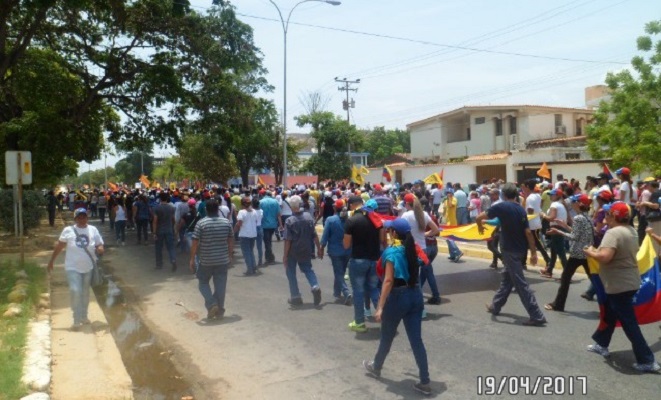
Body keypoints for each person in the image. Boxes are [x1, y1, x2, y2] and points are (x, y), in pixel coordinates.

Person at [583, 202, 660, 372]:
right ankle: (602, 344)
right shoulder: (631, 230)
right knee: (610, 314)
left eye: (609, 214)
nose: (606, 217)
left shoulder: (613, 233)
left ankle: (647, 360)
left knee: (629, 323)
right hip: (627, 282)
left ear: (615, 216)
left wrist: (590, 252)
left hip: (619, 285)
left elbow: (605, 257)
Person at [363, 218, 431, 396]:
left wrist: (379, 307)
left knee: (387, 337)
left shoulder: (391, 252)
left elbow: (387, 280)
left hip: (397, 298)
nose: (386, 232)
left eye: (389, 230)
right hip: (415, 295)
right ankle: (425, 381)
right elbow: (424, 262)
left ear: (393, 233)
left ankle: (376, 367)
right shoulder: (412, 248)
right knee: (417, 341)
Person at [477, 182, 547, 326]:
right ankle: (495, 306)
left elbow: (479, 217)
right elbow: (528, 232)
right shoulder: (521, 210)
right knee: (507, 280)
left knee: (520, 284)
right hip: (520, 251)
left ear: (503, 195)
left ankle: (537, 315)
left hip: (509, 250)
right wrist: (533, 252)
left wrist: (480, 226)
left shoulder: (500, 207)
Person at [47, 208, 105, 331]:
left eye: (84, 217)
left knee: (85, 292)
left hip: (88, 267)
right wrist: (52, 260)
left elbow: (99, 244)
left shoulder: (93, 230)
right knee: (75, 290)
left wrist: (100, 248)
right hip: (72, 267)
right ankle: (76, 319)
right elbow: (60, 246)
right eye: (79, 217)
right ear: (75, 219)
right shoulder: (68, 231)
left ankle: (84, 316)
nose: (82, 219)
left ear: (87, 218)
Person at [544, 194, 593, 311]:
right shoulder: (587, 217)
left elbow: (574, 237)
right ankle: (608, 306)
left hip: (577, 253)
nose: (572, 204)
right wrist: (565, 226)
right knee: (595, 281)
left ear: (578, 204)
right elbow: (579, 233)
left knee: (565, 279)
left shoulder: (578, 218)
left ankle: (558, 305)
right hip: (586, 252)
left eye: (574, 202)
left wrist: (558, 231)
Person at [344, 195, 385, 333]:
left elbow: (346, 244)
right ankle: (384, 317)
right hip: (374, 259)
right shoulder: (376, 219)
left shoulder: (352, 221)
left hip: (358, 259)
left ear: (351, 206)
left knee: (358, 291)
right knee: (374, 288)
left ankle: (360, 322)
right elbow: (383, 240)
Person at [189, 199, 234, 320]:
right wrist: (230, 255)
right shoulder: (226, 222)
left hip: (206, 260)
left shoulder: (201, 223)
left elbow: (194, 242)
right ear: (218, 209)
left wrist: (192, 259)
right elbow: (230, 240)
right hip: (223, 260)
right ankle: (219, 310)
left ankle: (211, 304)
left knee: (203, 283)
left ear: (206, 210)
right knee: (220, 286)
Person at [283, 195, 323, 306]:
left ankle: (295, 296)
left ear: (291, 206)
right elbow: (314, 235)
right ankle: (315, 286)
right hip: (306, 249)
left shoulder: (289, 221)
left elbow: (288, 240)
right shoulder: (309, 217)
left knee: (290, 272)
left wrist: (285, 255)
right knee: (308, 269)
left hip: (293, 251)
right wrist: (319, 249)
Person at [401, 194, 441, 305]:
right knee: (427, 274)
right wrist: (424, 235)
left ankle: (414, 301)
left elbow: (401, 231)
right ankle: (434, 296)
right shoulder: (424, 214)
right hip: (423, 250)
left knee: (412, 277)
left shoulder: (405, 215)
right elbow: (436, 229)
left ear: (407, 204)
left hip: (411, 250)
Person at [320, 199, 352, 305]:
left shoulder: (330, 220)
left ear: (335, 208)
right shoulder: (349, 220)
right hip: (347, 250)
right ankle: (337, 292)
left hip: (335, 251)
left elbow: (325, 236)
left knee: (338, 272)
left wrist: (321, 248)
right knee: (340, 272)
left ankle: (346, 292)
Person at [539, 188, 569, 278]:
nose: (550, 196)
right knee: (553, 250)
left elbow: (551, 218)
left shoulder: (554, 205)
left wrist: (543, 215)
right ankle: (549, 270)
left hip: (556, 228)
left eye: (552, 195)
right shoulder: (561, 205)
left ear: (558, 196)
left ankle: (567, 274)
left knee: (560, 252)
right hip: (559, 228)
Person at [152, 191, 177, 271]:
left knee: (158, 248)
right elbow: (173, 220)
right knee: (171, 247)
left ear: (160, 199)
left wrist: (154, 232)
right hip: (169, 230)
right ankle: (173, 260)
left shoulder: (156, 208)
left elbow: (155, 221)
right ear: (167, 199)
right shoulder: (171, 208)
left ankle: (159, 265)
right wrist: (173, 227)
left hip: (159, 231)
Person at [235, 197, 259, 275]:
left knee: (246, 253)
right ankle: (253, 267)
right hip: (253, 234)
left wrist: (233, 231)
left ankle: (250, 269)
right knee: (250, 251)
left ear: (242, 204)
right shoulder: (254, 211)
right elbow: (255, 221)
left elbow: (239, 223)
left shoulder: (242, 212)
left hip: (245, 234)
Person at [259, 191, 282, 265]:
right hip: (273, 224)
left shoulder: (261, 202)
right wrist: (281, 224)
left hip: (264, 225)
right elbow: (278, 214)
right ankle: (268, 257)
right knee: (268, 240)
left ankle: (270, 257)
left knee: (267, 241)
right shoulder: (275, 202)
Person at [252, 197, 264, 268]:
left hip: (253, 228)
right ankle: (260, 261)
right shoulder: (261, 211)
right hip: (260, 227)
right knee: (259, 246)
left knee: (251, 246)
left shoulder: (252, 211)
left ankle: (253, 262)